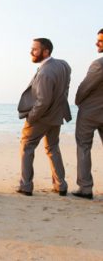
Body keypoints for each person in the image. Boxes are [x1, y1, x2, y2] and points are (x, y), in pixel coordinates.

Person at [17, 38, 71, 196]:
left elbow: (42, 101)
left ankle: (26, 186)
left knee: (26, 148)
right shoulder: (63, 65)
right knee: (53, 148)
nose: (31, 52)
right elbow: (63, 89)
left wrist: (31, 117)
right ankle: (61, 185)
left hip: (41, 117)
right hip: (56, 116)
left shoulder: (45, 72)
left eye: (35, 49)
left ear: (46, 51)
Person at [72, 29, 103, 200]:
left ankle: (85, 188)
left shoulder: (99, 64)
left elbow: (85, 87)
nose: (97, 43)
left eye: (100, 41)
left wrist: (78, 101)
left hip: (91, 112)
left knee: (83, 147)